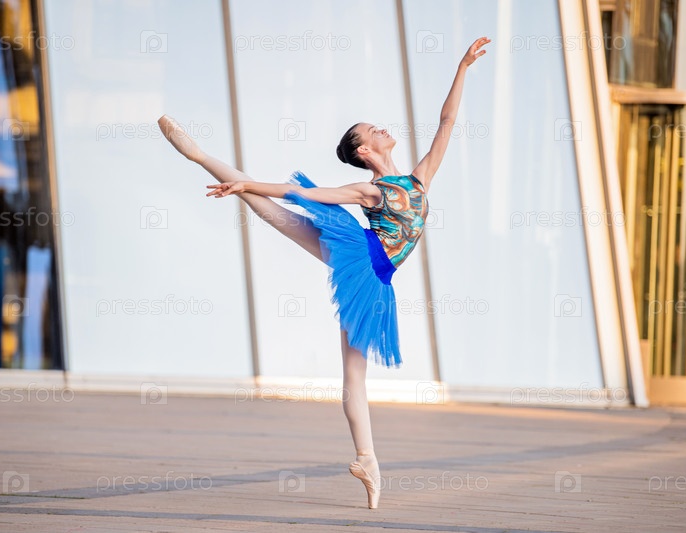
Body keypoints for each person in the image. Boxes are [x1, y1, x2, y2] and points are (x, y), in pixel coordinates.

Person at [158, 36, 490, 509]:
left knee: (354, 375)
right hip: (362, 256)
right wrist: (250, 184)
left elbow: (447, 122)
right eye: (371, 130)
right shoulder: (369, 189)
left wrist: (462, 67)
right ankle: (205, 160)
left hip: (377, 278)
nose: (381, 128)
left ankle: (367, 461)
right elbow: (306, 195)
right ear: (364, 149)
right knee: (283, 214)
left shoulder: (419, 178)